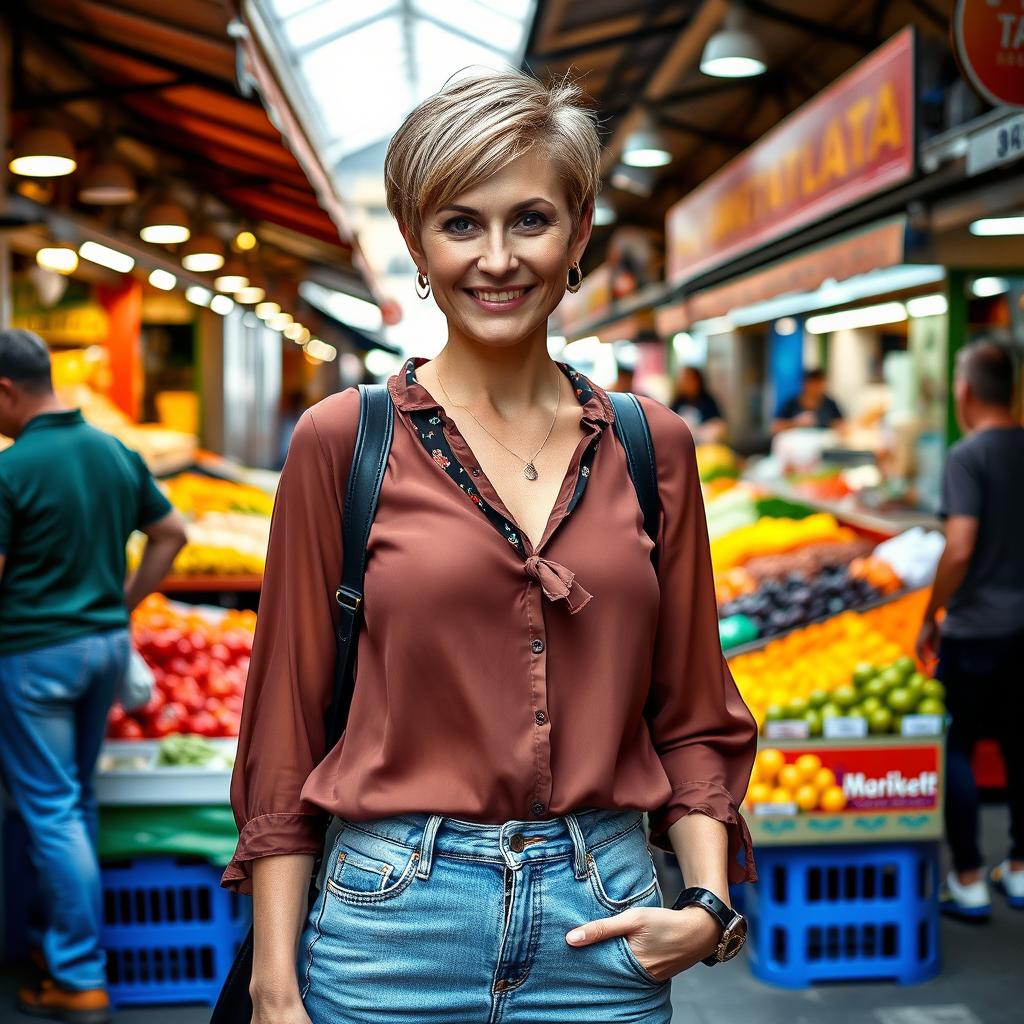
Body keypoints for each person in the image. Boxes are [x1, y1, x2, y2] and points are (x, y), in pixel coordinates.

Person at [226, 70, 756, 1024]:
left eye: (531, 220)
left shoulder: (651, 445)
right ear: (416, 242)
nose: (499, 258)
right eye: (460, 223)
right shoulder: (342, 442)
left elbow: (694, 707)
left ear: (579, 233)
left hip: (604, 920)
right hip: (390, 927)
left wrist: (708, 906)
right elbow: (283, 731)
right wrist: (274, 986)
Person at [0, 329, 187, 1023]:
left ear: (5, 392)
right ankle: (56, 950)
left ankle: (78, 975)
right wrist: (124, 602)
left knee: (49, 810)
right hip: (105, 647)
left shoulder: (12, 470)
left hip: (34, 656)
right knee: (73, 802)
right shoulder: (113, 451)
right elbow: (171, 534)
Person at [916, 339, 1024, 919]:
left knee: (957, 747)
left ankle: (968, 877)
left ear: (964, 392)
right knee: (1017, 742)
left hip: (976, 630)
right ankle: (1021, 870)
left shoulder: (967, 456)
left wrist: (932, 612)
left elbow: (958, 547)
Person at [771, 367, 844, 434]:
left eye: (819, 384)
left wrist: (834, 425)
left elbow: (842, 425)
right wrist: (796, 423)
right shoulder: (792, 403)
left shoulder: (830, 404)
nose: (815, 388)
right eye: (813, 384)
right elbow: (775, 427)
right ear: (805, 384)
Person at [672, 366, 726, 443]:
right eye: (684, 380)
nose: (686, 384)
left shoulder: (708, 401)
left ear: (698, 381)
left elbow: (717, 424)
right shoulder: (677, 401)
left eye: (690, 380)